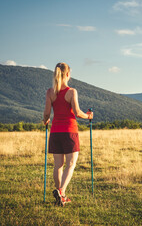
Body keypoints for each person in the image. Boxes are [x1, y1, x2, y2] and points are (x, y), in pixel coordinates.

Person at [43, 62, 93, 206]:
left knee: (58, 165)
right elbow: (77, 113)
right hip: (69, 132)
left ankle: (59, 194)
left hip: (55, 132)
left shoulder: (50, 92)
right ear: (68, 75)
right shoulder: (72, 92)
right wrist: (89, 116)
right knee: (71, 164)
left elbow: (46, 113)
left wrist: (45, 121)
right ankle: (62, 193)